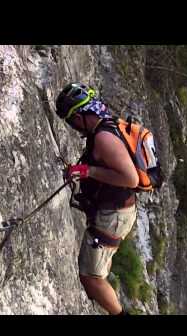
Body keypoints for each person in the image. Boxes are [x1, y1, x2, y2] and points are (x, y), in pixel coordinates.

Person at [55, 83, 138, 315]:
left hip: (112, 216)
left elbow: (130, 178)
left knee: (90, 277)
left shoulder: (104, 138)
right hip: (114, 212)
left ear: (81, 116)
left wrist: (88, 172)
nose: (72, 127)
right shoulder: (106, 127)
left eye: (71, 121)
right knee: (100, 263)